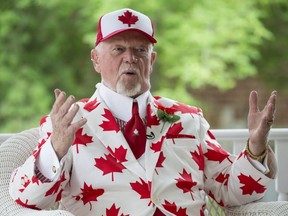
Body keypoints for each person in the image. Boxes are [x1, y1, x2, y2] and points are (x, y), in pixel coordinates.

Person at [9, 8, 277, 216]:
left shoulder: (189, 119)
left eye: (140, 50)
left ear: (152, 60)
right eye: (118, 49)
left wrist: (255, 149)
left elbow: (232, 190)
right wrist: (55, 148)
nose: (130, 58)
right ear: (95, 60)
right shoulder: (69, 122)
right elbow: (28, 200)